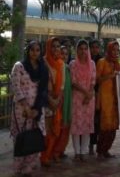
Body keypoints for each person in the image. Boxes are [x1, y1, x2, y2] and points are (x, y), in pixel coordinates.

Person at [10, 41, 48, 176]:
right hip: (22, 109)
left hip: (37, 109)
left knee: (36, 136)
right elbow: (16, 87)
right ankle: (18, 168)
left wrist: (36, 110)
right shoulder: (19, 66)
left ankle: (28, 168)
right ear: (28, 51)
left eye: (38, 50)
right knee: (21, 138)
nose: (35, 53)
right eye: (32, 50)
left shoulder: (43, 68)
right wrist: (27, 108)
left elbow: (43, 90)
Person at [70, 40, 96, 161]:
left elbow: (93, 81)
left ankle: (84, 151)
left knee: (87, 124)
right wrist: (85, 93)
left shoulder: (92, 64)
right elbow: (73, 82)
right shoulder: (73, 64)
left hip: (89, 98)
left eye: (86, 49)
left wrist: (89, 93)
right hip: (77, 98)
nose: (83, 51)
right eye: (81, 48)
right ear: (77, 50)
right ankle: (77, 152)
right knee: (76, 124)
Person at [41, 37, 65, 167]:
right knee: (46, 130)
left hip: (56, 101)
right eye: (53, 46)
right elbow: (41, 84)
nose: (56, 49)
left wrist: (57, 100)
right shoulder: (43, 62)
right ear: (48, 47)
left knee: (55, 130)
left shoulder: (61, 64)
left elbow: (62, 86)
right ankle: (43, 156)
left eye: (57, 46)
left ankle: (48, 155)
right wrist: (50, 100)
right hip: (45, 100)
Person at [96, 41, 120, 158]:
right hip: (105, 100)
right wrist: (111, 76)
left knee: (113, 127)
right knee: (105, 127)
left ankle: (106, 150)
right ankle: (100, 151)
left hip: (114, 99)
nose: (115, 52)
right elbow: (97, 80)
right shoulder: (102, 62)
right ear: (109, 50)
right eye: (113, 50)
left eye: (117, 50)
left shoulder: (117, 64)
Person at [52, 46, 73, 161]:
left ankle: (60, 150)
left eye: (66, 54)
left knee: (65, 126)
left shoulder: (68, 68)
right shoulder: (56, 67)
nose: (64, 56)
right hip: (59, 101)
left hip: (68, 100)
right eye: (62, 53)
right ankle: (54, 152)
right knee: (57, 126)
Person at [89, 40, 102, 155]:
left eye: (97, 47)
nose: (95, 49)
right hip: (85, 94)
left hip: (98, 94)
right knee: (89, 120)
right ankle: (88, 145)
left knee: (97, 121)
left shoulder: (101, 60)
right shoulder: (84, 59)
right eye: (92, 47)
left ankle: (95, 144)